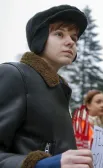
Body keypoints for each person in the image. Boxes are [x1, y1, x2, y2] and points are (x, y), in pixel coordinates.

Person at [0, 5, 93, 168]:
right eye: (59, 34)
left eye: (74, 38)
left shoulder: (61, 91)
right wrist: (44, 164)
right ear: (40, 38)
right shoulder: (14, 75)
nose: (70, 42)